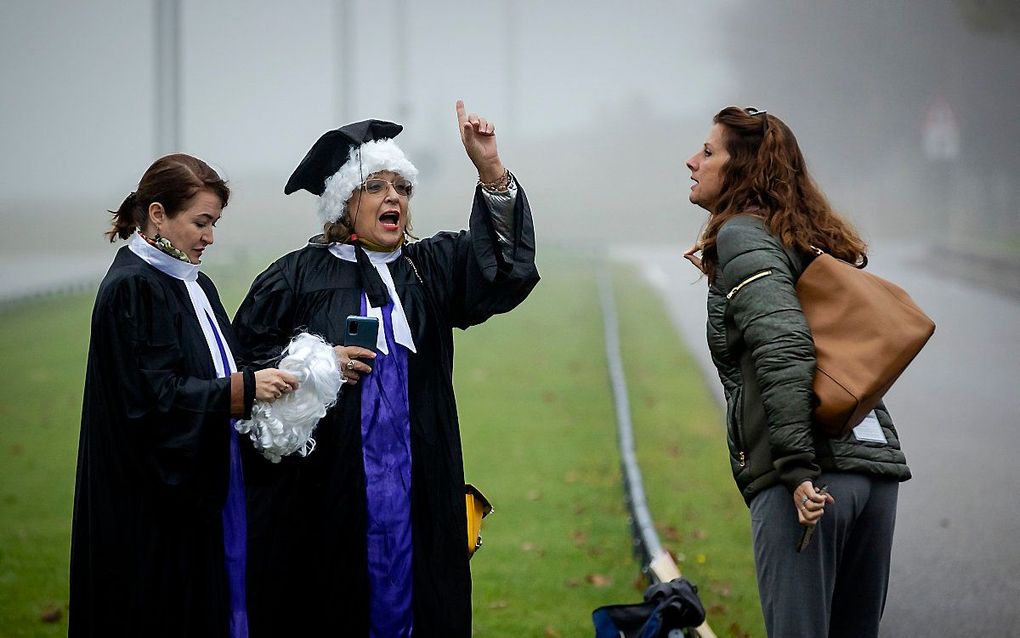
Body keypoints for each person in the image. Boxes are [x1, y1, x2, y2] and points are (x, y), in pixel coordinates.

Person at [232, 101, 539, 637]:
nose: (394, 196)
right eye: (376, 186)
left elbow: (505, 273)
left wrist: (490, 169)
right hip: (326, 500)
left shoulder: (431, 268)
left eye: (402, 187)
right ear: (344, 204)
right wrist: (316, 368)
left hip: (420, 491)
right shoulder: (293, 280)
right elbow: (245, 383)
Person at [683, 107, 911, 637]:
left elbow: (784, 350)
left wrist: (795, 471)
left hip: (814, 481)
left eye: (709, 152)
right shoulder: (799, 235)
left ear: (741, 171)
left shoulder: (742, 236)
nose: (692, 161)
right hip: (872, 468)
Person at [69, 154, 298, 637]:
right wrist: (240, 392)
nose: (210, 236)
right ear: (157, 215)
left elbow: (226, 370)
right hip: (151, 514)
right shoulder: (134, 288)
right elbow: (151, 401)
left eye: (213, 223)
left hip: (207, 496)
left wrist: (307, 366)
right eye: (201, 222)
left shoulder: (196, 283)